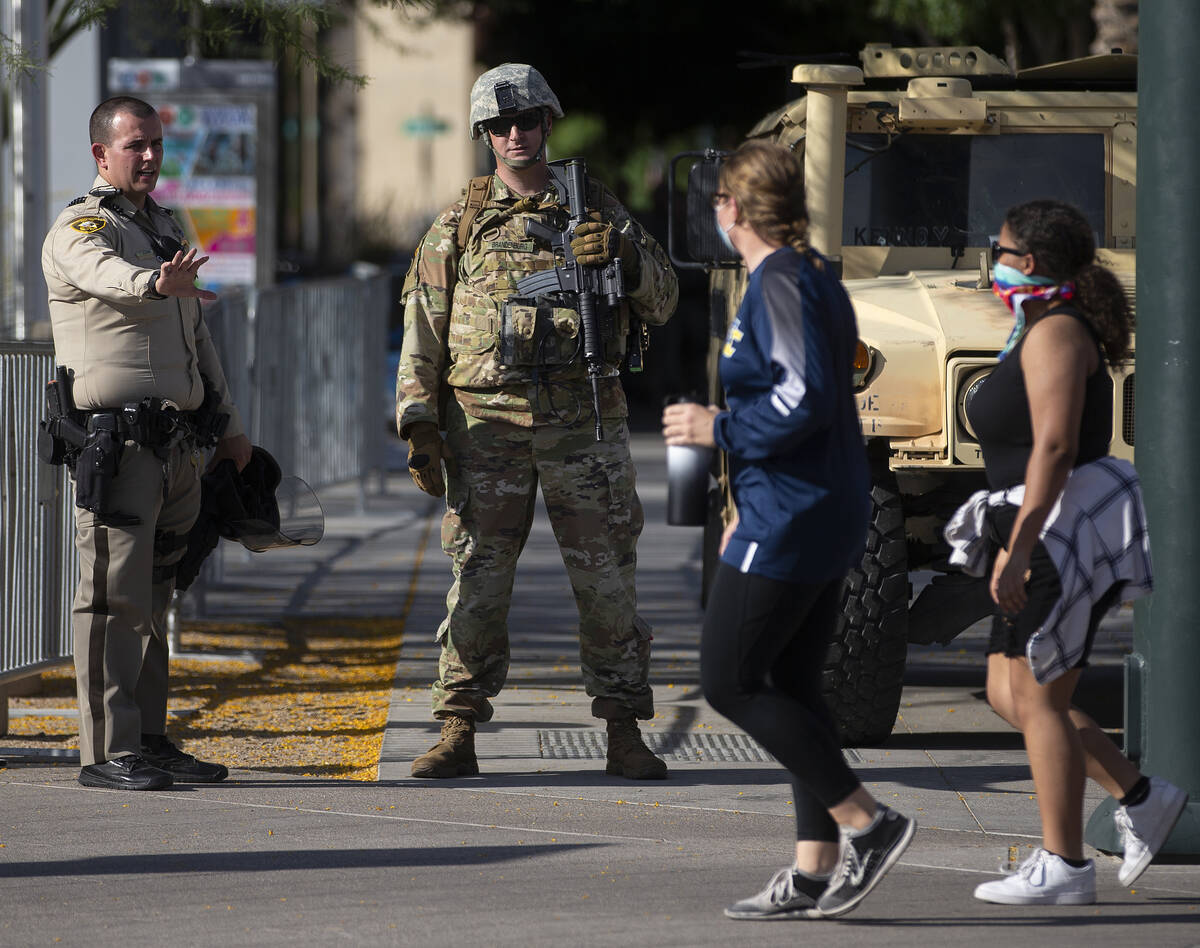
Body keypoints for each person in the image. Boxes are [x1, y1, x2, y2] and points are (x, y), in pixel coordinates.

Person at [396, 64, 678, 780]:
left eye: (526, 122)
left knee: (607, 583)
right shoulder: (458, 224)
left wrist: (623, 255)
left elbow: (666, 299)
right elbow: (422, 331)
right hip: (485, 429)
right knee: (478, 583)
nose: (514, 136)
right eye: (499, 126)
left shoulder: (597, 212)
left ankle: (623, 729)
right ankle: (457, 727)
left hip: (583, 430)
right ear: (484, 135)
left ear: (548, 123)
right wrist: (418, 424)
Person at [662, 140, 915, 920]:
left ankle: (866, 822)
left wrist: (718, 427)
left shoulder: (779, 282)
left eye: (718, 201)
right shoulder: (810, 279)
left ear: (734, 208)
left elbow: (800, 403)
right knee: (796, 686)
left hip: (797, 516)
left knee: (729, 679)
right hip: (811, 506)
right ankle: (813, 869)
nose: (714, 212)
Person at [952, 199, 1186, 904]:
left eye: (999, 249)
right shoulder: (1033, 327)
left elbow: (1053, 448)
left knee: (1041, 696)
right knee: (1008, 693)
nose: (990, 262)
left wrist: (1022, 548)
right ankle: (1141, 797)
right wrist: (1004, 544)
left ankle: (1065, 866)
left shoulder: (1056, 332)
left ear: (1029, 262)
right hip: (1025, 529)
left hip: (1055, 534)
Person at [42, 96, 251, 791]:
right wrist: (152, 282)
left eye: (157, 143)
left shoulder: (165, 226)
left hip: (177, 448)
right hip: (120, 447)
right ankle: (106, 751)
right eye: (135, 145)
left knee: (157, 599)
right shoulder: (82, 225)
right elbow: (100, 274)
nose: (151, 156)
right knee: (110, 600)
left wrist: (229, 426)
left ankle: (150, 740)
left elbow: (197, 338)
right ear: (102, 154)